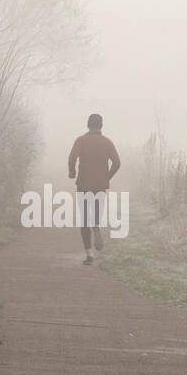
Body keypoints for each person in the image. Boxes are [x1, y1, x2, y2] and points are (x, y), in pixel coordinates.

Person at [67, 113, 121, 265]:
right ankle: (96, 225)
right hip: (100, 186)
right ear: (101, 126)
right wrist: (107, 177)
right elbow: (117, 163)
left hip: (84, 184)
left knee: (84, 219)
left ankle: (89, 254)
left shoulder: (81, 140)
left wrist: (72, 172)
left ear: (87, 125)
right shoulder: (107, 142)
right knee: (95, 215)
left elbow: (72, 158)